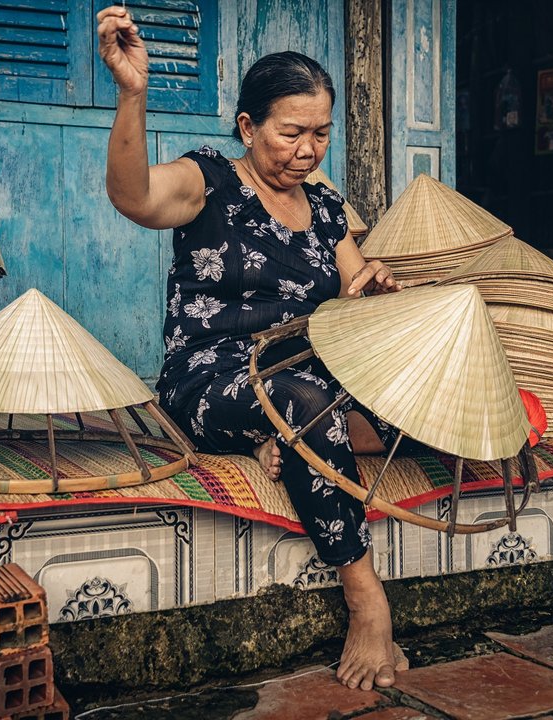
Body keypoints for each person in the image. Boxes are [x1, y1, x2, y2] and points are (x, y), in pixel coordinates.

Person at [97, 6, 407, 691]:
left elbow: (353, 292)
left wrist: (376, 286)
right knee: (308, 407)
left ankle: (279, 446)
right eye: (290, 132)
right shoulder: (208, 179)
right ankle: (367, 601)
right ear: (248, 127)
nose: (307, 149)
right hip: (212, 376)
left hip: (304, 367)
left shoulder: (326, 207)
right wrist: (132, 95)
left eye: (321, 133)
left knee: (404, 410)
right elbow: (133, 195)